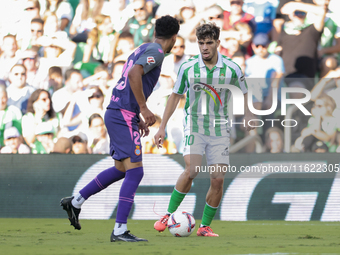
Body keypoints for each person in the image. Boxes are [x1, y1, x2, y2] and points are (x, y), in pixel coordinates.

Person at [60, 15, 180, 242]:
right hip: (122, 113)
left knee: (121, 169)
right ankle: (119, 230)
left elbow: (129, 76)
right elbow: (135, 74)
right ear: (174, 37)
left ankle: (76, 201)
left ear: (156, 31)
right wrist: (143, 109)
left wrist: (137, 114)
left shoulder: (144, 47)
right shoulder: (157, 52)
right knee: (136, 171)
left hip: (119, 111)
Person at [153, 23, 254, 237]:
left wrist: (247, 115)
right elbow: (175, 96)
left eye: (209, 43)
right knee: (193, 169)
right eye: (201, 43)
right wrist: (162, 126)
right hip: (194, 125)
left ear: (218, 43)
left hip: (219, 128)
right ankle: (168, 214)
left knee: (217, 179)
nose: (205, 47)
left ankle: (204, 226)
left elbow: (244, 92)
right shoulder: (188, 68)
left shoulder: (232, 68)